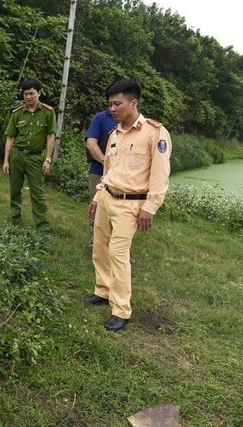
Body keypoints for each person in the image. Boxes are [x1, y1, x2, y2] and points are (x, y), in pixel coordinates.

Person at [84, 79, 172, 331]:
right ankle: (102, 290)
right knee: (99, 248)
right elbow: (109, 170)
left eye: (117, 104)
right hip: (108, 197)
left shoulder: (154, 132)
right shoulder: (114, 134)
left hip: (130, 204)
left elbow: (160, 173)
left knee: (118, 254)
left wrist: (150, 207)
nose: (112, 109)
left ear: (134, 103)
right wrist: (98, 195)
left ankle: (121, 309)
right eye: (110, 104)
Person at [3, 79, 56, 238]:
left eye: (32, 93)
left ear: (39, 93)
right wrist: (6, 160)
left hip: (35, 158)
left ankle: (42, 226)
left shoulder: (48, 112)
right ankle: (15, 218)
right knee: (15, 190)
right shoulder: (18, 113)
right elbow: (10, 138)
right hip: (17, 156)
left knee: (37, 192)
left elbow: (50, 136)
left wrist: (47, 159)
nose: (28, 96)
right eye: (25, 94)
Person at [84, 108, 118, 255]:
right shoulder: (101, 118)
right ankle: (94, 244)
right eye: (111, 102)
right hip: (99, 171)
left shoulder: (134, 122)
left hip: (124, 177)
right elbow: (91, 144)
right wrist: (107, 163)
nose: (114, 107)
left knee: (120, 211)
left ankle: (118, 249)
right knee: (96, 207)